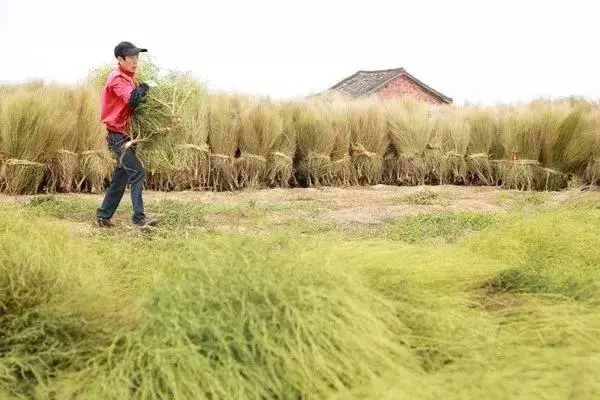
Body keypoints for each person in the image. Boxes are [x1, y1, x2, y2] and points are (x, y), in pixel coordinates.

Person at [96, 41, 157, 228]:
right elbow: (132, 99)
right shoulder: (117, 78)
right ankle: (139, 219)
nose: (135, 60)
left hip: (126, 134)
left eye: (137, 57)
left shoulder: (129, 77)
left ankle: (103, 216)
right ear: (120, 59)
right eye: (131, 57)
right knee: (137, 172)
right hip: (118, 136)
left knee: (121, 176)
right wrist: (145, 87)